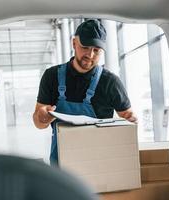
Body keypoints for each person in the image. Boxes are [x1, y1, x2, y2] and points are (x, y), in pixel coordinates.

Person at [33, 19, 137, 165]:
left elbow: (127, 116)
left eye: (96, 50)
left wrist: (131, 120)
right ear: (74, 43)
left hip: (99, 162)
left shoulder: (110, 82)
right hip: (62, 163)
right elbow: (38, 123)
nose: (90, 54)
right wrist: (42, 117)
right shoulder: (51, 77)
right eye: (85, 47)